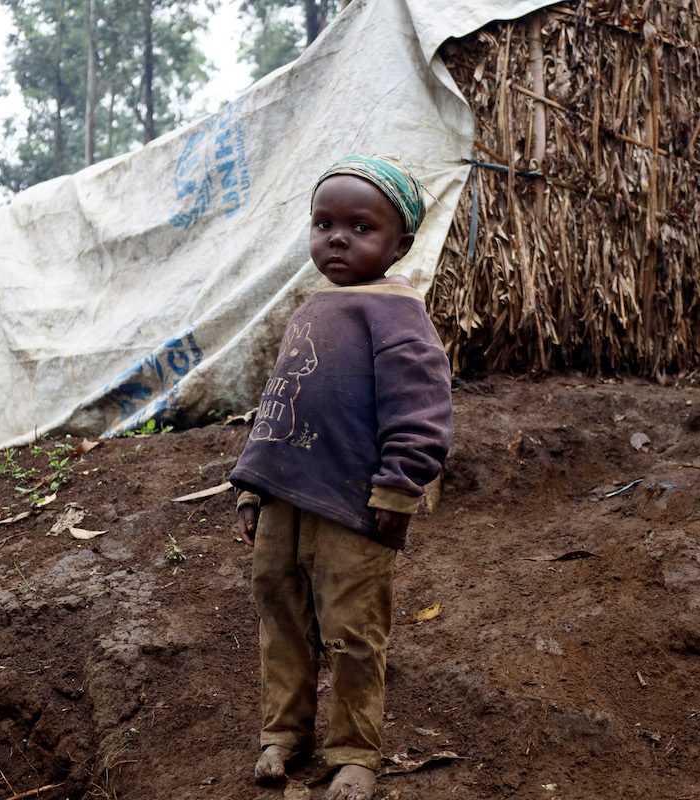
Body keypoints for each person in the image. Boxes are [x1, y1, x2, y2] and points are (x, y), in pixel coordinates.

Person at [230, 155, 453, 800]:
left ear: (399, 244)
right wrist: (251, 485)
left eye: (361, 227)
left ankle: (354, 751)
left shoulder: (398, 314)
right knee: (280, 616)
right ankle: (284, 734)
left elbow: (422, 408)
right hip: (282, 502)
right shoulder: (309, 310)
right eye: (324, 222)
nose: (337, 237)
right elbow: (278, 407)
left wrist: (398, 486)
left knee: (354, 631)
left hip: (354, 505)